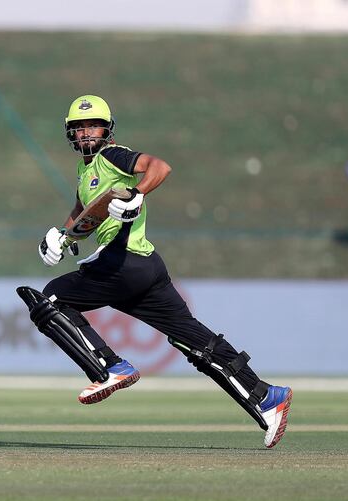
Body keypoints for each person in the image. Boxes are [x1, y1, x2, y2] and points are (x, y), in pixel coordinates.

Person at [17, 95, 292, 449]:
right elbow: (86, 211)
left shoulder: (113, 156)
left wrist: (137, 194)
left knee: (50, 299)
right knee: (194, 342)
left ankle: (109, 367)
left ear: (107, 129)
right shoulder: (86, 170)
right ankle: (267, 397)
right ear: (70, 134)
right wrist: (63, 237)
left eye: (93, 126)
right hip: (145, 268)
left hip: (122, 262)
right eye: (79, 128)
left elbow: (160, 167)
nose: (86, 133)